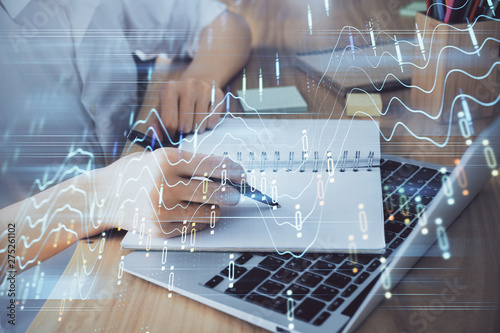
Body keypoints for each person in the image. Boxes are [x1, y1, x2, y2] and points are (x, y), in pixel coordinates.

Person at [0, 0, 251, 280]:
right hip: (41, 298)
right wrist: (100, 198)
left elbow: (226, 24)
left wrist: (200, 78)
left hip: (128, 249)